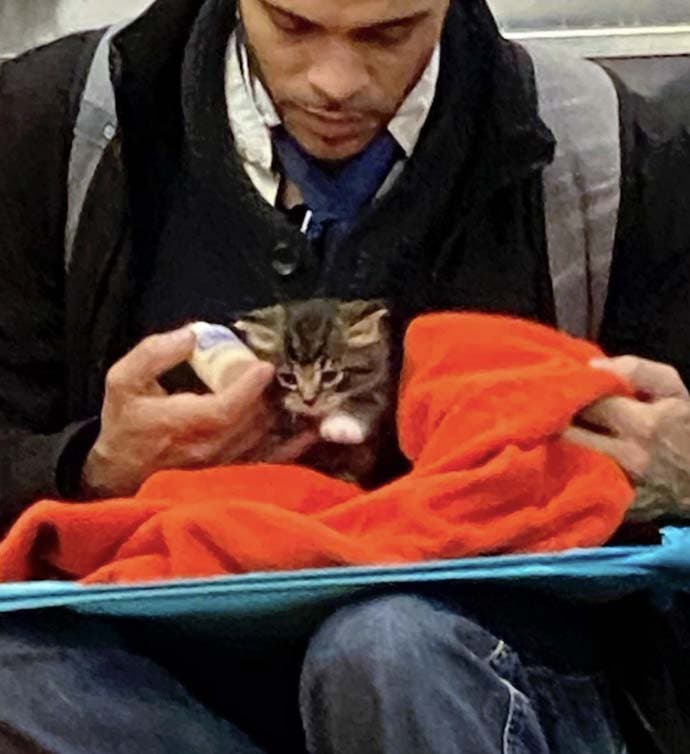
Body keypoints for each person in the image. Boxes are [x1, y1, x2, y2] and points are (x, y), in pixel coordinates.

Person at [0, 0, 689, 751]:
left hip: (486, 667)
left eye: (388, 34)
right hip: (143, 673)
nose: (335, 82)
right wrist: (91, 466)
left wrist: (680, 471)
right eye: (291, 26)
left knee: (388, 650)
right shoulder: (45, 130)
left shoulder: (616, 151)